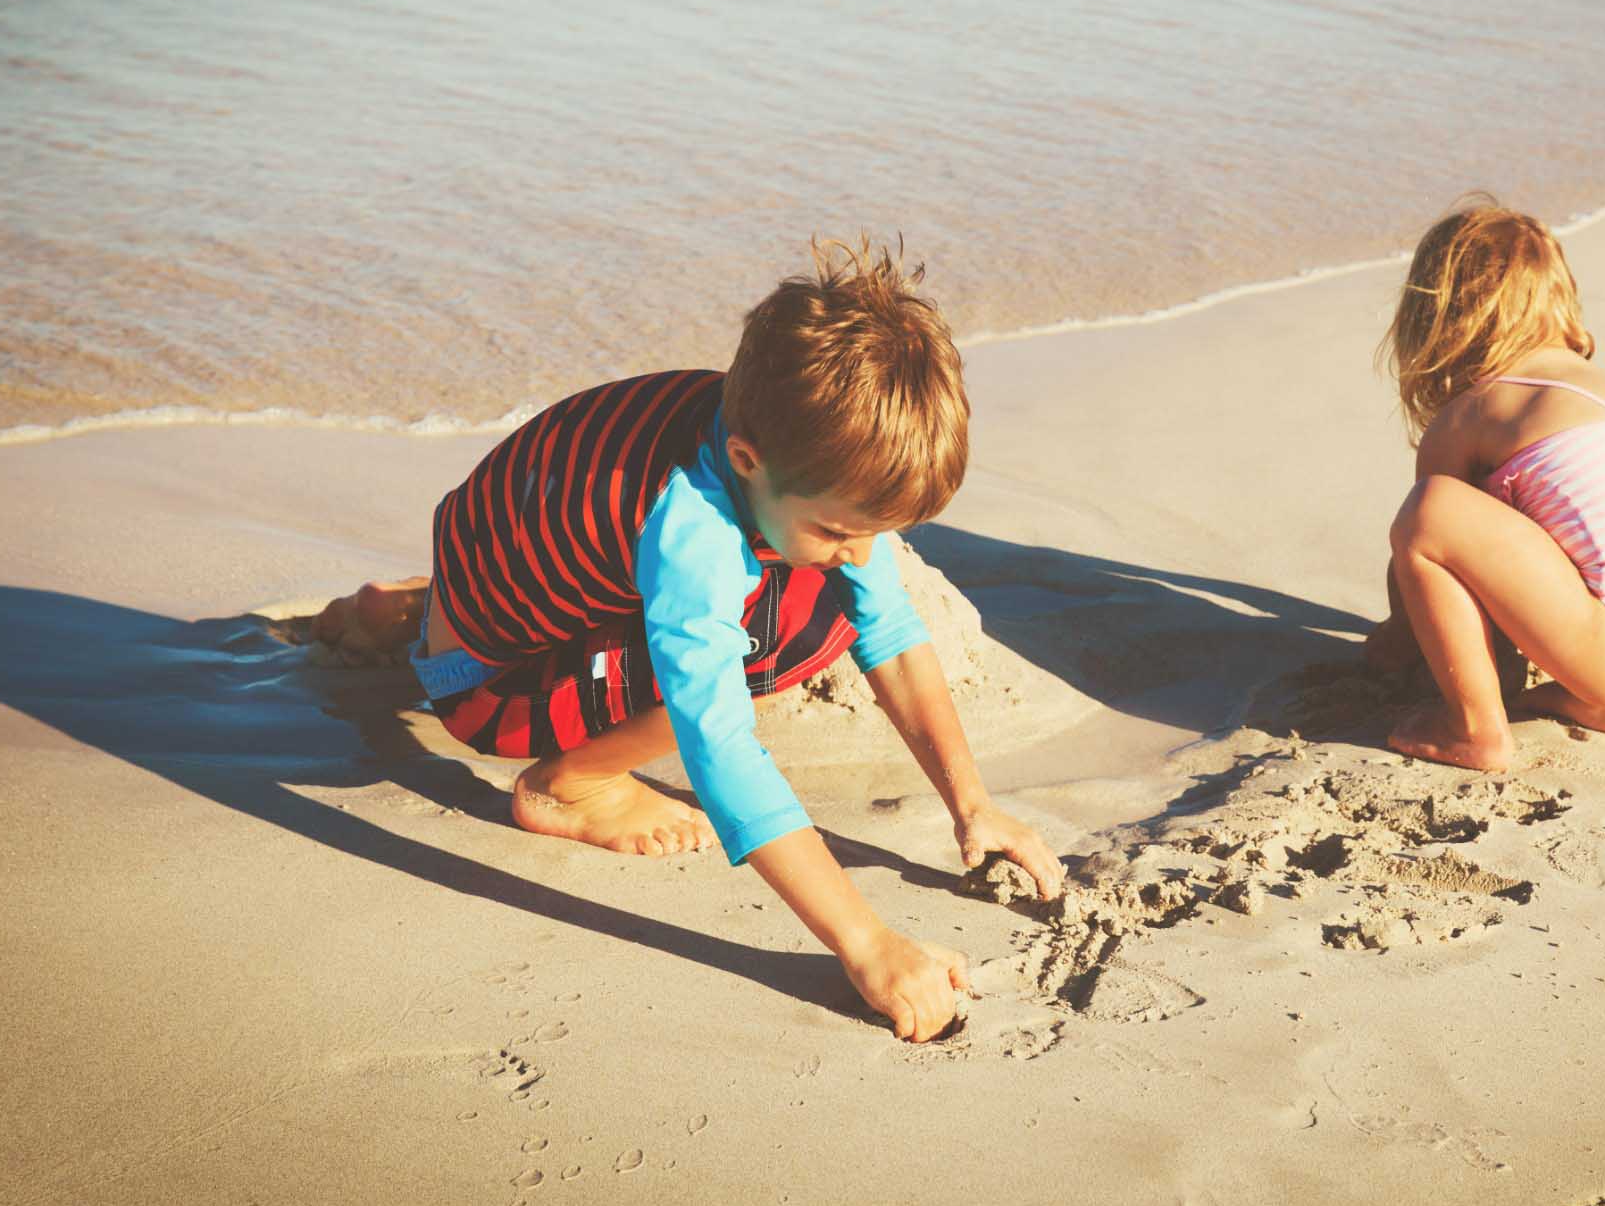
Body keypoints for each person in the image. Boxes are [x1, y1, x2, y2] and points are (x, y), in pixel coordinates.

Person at [318, 240, 1063, 1043]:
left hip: (485, 573)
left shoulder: (768, 422)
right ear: (746, 461)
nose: (862, 553)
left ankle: (394, 614)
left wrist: (973, 804)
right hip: (484, 681)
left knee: (824, 591)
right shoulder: (691, 533)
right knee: (783, 636)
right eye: (844, 531)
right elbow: (719, 745)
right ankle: (569, 785)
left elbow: (885, 618)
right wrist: (870, 945)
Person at [1364, 199, 1605, 772]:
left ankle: (1475, 732)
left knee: (1430, 513)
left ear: (1438, 316)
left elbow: (1431, 555)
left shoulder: (1473, 413)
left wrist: (1396, 637)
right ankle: (1602, 703)